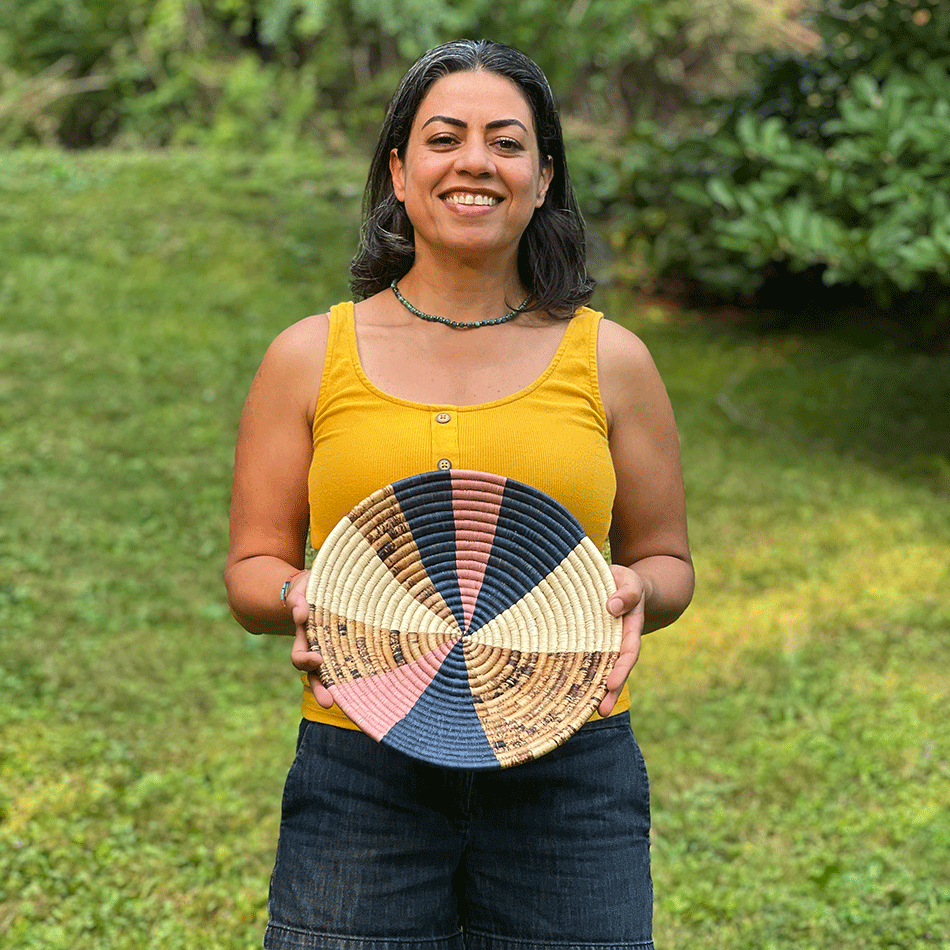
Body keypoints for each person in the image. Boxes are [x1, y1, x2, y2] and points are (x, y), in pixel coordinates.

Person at [224, 39, 693, 950]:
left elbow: (667, 559)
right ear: (399, 172)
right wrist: (298, 594)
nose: (475, 161)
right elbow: (253, 568)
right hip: (360, 769)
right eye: (445, 138)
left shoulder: (614, 361)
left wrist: (642, 591)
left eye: (506, 143)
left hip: (571, 774)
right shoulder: (308, 356)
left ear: (544, 177)